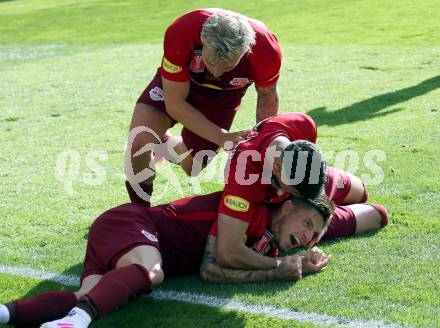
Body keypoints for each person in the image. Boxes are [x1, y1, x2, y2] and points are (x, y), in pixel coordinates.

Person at [0, 185, 389, 327]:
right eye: (306, 225)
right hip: (131, 223)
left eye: (314, 234)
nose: (307, 238)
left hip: (129, 241)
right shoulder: (244, 208)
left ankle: (8, 312)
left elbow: (374, 214)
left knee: (92, 293)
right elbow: (213, 269)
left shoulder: (300, 227)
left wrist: (335, 196)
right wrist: (280, 268)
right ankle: (76, 323)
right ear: (285, 205)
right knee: (150, 274)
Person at [125, 8, 282, 206]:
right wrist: (221, 136)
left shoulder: (266, 48)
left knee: (193, 167)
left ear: (245, 50)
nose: (216, 72)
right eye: (210, 62)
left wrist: (263, 145)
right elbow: (175, 104)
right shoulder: (182, 30)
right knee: (139, 139)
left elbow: (267, 99)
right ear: (202, 40)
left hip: (224, 98)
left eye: (227, 66)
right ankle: (139, 213)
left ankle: (163, 144)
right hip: (182, 84)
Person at [214, 111, 384, 270]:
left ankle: (327, 179)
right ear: (276, 169)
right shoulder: (242, 177)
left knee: (362, 192)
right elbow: (227, 252)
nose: (309, 238)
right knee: (376, 214)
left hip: (303, 186)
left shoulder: (303, 125)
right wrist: (288, 264)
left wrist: (324, 220)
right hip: (284, 207)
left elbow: (308, 192)